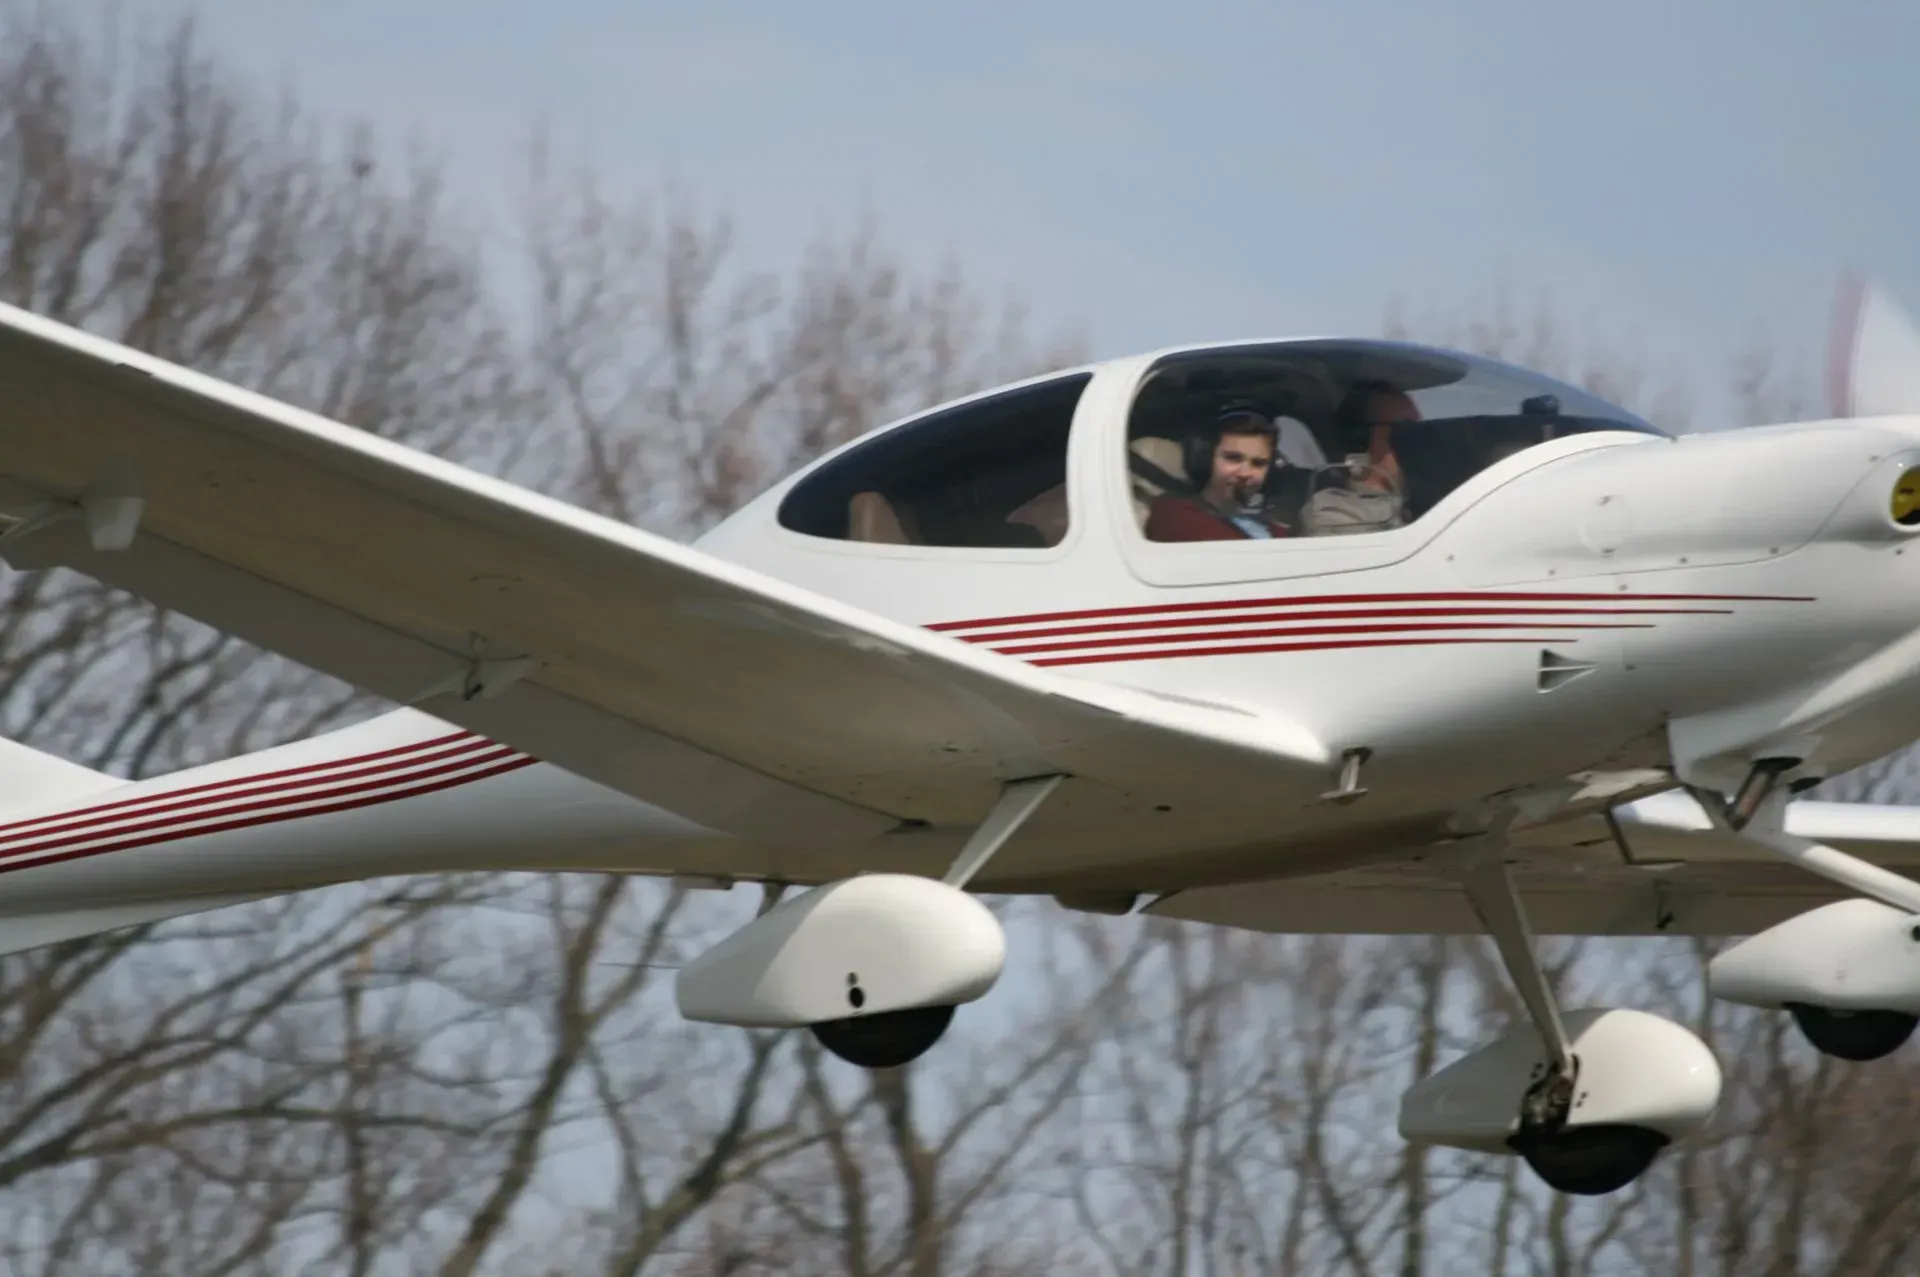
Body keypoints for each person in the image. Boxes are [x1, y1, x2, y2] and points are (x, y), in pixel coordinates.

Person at [1144, 404, 1292, 541]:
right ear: (1206, 459)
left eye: (1258, 464)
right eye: (1233, 458)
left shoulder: (1272, 527)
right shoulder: (1175, 515)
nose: (1245, 473)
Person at [1299, 383, 1420, 535]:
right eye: (1406, 430)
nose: (1418, 440)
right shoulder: (1332, 510)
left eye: (1420, 430)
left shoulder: (1423, 498)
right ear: (1358, 441)